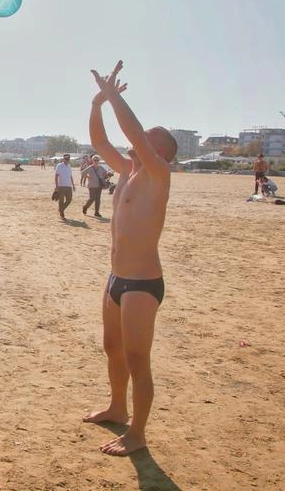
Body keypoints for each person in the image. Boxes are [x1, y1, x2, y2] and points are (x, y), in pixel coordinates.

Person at [81, 60, 178, 457]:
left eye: (146, 138)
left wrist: (115, 95)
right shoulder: (126, 171)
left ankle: (137, 433)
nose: (137, 140)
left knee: (138, 358)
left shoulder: (158, 173)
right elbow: (101, 143)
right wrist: (97, 103)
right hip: (115, 279)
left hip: (141, 284)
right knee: (112, 347)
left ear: (157, 150)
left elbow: (133, 132)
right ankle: (117, 407)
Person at [54, 153, 76, 219]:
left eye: (68, 159)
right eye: (66, 158)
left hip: (69, 186)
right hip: (61, 186)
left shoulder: (69, 166)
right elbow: (56, 176)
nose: (67, 160)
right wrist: (57, 186)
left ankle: (61, 209)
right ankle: (62, 213)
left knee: (69, 199)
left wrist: (73, 185)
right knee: (61, 200)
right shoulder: (59, 165)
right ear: (63, 159)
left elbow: (70, 176)